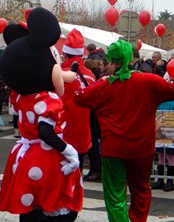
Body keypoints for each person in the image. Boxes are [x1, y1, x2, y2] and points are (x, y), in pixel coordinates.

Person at [75, 40, 174, 222]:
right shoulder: (148, 81)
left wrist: (99, 82)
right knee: (141, 190)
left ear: (112, 63)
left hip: (113, 149)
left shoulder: (105, 85)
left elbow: (80, 97)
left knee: (115, 194)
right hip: (141, 148)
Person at [0, 8, 83, 221]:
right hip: (46, 159)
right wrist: (68, 150)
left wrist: (68, 74)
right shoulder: (48, 99)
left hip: (24, 158)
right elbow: (46, 131)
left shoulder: (21, 96)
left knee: (30, 209)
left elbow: (60, 76)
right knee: (54, 205)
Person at [60, 29, 96, 172]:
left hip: (62, 135)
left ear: (65, 53)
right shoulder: (90, 75)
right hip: (83, 134)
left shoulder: (60, 74)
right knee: (77, 173)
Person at [152, 73, 174, 192]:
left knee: (169, 155)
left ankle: (169, 180)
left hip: (171, 131)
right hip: (161, 130)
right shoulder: (161, 101)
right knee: (161, 154)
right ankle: (161, 179)